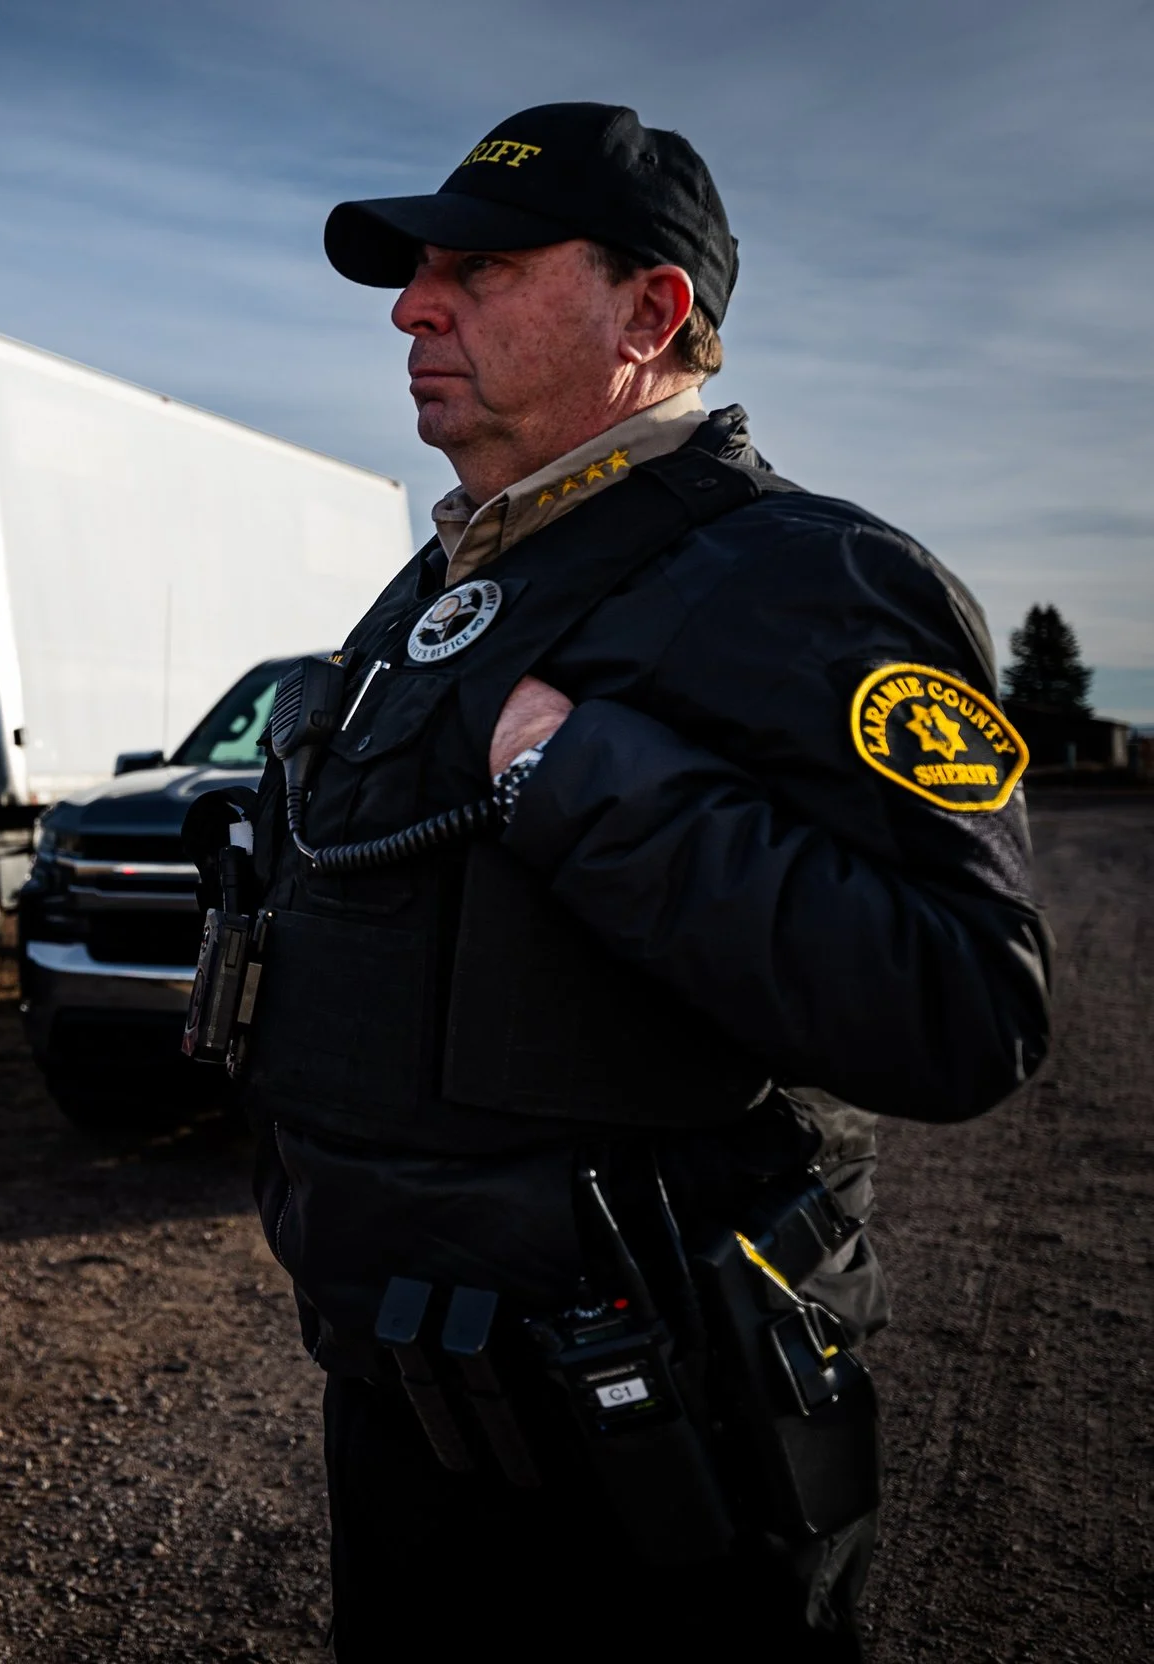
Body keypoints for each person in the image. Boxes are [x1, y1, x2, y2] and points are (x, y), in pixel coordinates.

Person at [206, 105, 1051, 1659]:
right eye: (416, 274)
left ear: (652, 313)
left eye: (479, 266)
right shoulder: (442, 587)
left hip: (661, 1455)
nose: (413, 306)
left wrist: (584, 782)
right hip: (411, 1411)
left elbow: (966, 1004)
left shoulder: (817, 578)